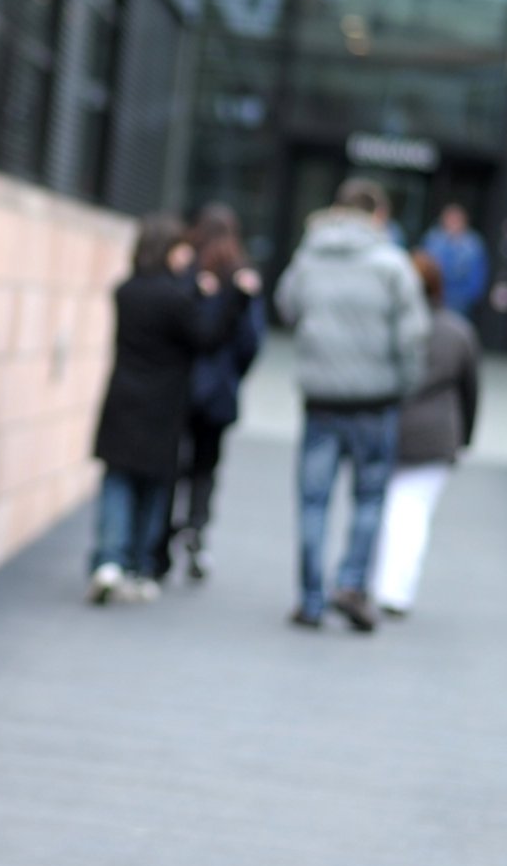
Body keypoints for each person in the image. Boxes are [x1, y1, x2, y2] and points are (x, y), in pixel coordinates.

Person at [274, 179, 429, 632]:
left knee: (313, 502)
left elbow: (286, 308)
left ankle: (310, 599)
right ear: (377, 215)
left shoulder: (310, 256)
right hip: (376, 401)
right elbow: (413, 336)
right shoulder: (392, 264)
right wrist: (404, 385)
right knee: (369, 498)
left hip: (321, 399)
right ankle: (351, 583)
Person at [89, 215, 259, 605]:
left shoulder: (126, 290)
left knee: (117, 479)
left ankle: (108, 561)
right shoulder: (176, 299)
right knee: (152, 486)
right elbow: (208, 338)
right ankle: (138, 564)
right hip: (162, 404)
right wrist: (233, 299)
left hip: (122, 397)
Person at [370, 252, 480, 618]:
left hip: (389, 426)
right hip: (435, 434)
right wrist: (464, 439)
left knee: (383, 509)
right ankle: (396, 590)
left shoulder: (385, 325)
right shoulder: (457, 331)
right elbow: (470, 392)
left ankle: (374, 582)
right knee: (412, 514)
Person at [168, 204, 267, 582]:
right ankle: (196, 529)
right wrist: (233, 374)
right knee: (206, 466)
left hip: (182, 383)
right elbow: (251, 341)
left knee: (175, 461)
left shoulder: (185, 271)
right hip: (220, 388)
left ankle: (167, 532)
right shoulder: (241, 278)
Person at [420, 203, 489, 318]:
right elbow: (423, 267)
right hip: (434, 299)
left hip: (460, 301)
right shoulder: (433, 239)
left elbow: (477, 276)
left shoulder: (473, 245)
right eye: (450, 219)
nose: (453, 224)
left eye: (456, 220)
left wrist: (470, 298)